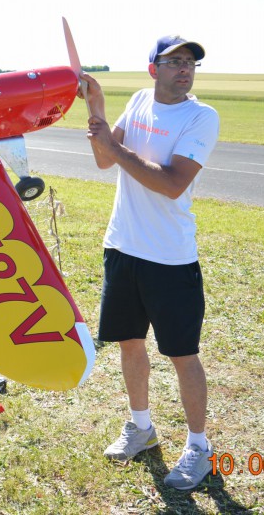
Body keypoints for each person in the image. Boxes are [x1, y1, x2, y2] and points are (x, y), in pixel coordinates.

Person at [79, 34, 220, 491]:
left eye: (190, 62)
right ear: (152, 68)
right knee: (128, 343)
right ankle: (141, 427)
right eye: (174, 61)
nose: (184, 69)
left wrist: (117, 150)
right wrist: (96, 107)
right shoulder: (139, 100)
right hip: (122, 248)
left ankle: (198, 447)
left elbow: (174, 182)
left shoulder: (201, 117)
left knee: (183, 355)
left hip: (171, 259)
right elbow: (104, 161)